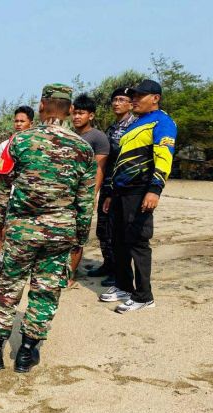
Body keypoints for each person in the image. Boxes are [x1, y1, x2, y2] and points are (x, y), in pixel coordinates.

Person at [0, 84, 95, 372]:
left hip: (21, 231)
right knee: (45, 291)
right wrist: (80, 237)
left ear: (41, 106)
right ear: (69, 110)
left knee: (8, 287)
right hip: (60, 234)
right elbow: (85, 200)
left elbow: (1, 187)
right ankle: (26, 353)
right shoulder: (83, 149)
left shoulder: (18, 143)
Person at [99, 79, 177, 313]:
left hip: (140, 190)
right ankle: (123, 285)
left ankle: (144, 296)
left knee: (138, 241)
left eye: (139, 96)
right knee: (118, 240)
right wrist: (112, 192)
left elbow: (164, 156)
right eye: (132, 96)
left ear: (155, 98)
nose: (134, 100)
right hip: (121, 192)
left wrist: (155, 190)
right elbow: (120, 162)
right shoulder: (136, 124)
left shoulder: (163, 122)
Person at [90, 88, 136, 286]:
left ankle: (119, 271)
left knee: (117, 230)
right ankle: (108, 264)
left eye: (121, 100)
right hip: (108, 184)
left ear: (130, 104)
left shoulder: (134, 126)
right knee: (103, 228)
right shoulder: (112, 128)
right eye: (115, 100)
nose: (117, 103)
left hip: (124, 186)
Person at [0, 105, 35, 289]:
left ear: (31, 123)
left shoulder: (36, 145)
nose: (18, 124)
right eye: (16, 120)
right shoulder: (4, 146)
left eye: (22, 121)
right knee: (0, 236)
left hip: (28, 200)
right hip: (8, 197)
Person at [70, 94, 110, 286]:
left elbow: (99, 169)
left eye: (82, 113)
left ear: (91, 116)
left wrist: (93, 194)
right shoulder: (68, 135)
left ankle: (70, 274)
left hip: (84, 194)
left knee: (79, 236)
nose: (77, 117)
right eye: (75, 113)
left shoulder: (98, 138)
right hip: (65, 194)